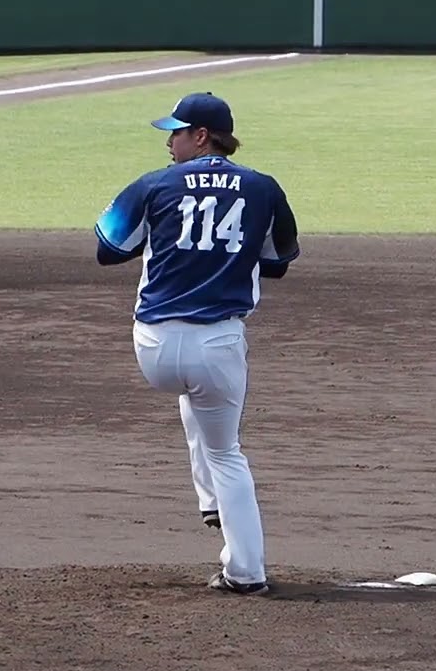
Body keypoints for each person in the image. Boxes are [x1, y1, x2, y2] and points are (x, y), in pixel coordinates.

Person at [93, 91, 300, 595]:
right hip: (217, 349)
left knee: (191, 396)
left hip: (154, 348)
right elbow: (277, 263)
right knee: (225, 450)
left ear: (201, 136)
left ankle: (210, 502)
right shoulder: (263, 188)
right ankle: (245, 572)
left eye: (177, 132)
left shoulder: (154, 185)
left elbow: (108, 249)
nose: (170, 142)